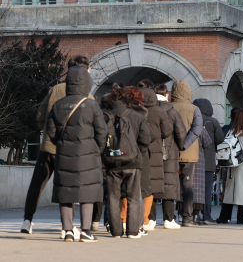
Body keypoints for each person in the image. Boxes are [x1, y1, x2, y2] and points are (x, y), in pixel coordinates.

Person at [21, 55, 95, 237]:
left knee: (37, 184)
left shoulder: (55, 89)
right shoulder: (88, 96)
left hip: (48, 146)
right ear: (87, 71)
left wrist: (48, 132)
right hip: (73, 150)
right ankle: (66, 228)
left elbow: (40, 115)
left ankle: (27, 220)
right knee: (68, 186)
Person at [46, 66, 107, 242]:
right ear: (86, 83)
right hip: (88, 156)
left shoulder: (58, 104)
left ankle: (67, 231)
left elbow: (50, 130)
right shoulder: (91, 105)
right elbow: (101, 131)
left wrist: (62, 143)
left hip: (64, 155)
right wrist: (98, 149)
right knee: (87, 193)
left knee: (66, 192)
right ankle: (86, 231)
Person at [101, 87, 150, 239]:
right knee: (134, 197)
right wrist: (136, 153)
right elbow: (146, 139)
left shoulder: (104, 116)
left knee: (113, 197)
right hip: (132, 162)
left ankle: (115, 231)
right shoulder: (137, 116)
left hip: (111, 163)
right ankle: (132, 231)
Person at [137, 87, 170, 231]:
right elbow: (167, 131)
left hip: (140, 149)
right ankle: (148, 218)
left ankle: (145, 218)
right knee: (152, 186)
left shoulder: (137, 110)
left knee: (139, 184)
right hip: (155, 150)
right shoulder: (160, 111)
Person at [171, 80, 203, 227]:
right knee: (187, 186)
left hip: (171, 153)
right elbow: (197, 130)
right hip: (189, 154)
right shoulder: (194, 109)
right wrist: (185, 144)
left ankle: (170, 216)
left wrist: (176, 144)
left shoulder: (168, 107)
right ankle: (187, 217)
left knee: (171, 184)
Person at [216, 109, 243, 224]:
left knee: (229, 192)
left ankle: (224, 217)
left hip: (231, 165)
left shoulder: (231, 131)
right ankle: (241, 218)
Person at [154, 84, 186, 229]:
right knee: (169, 185)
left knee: (152, 184)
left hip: (152, 152)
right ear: (167, 95)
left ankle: (150, 219)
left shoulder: (148, 110)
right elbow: (181, 134)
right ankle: (168, 219)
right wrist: (179, 147)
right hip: (170, 152)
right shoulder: (173, 113)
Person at [193, 98, 224, 225]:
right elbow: (220, 139)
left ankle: (194, 215)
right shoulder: (213, 121)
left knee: (194, 189)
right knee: (207, 190)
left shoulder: (193, 119)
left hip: (194, 159)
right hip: (209, 160)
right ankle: (206, 216)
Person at [191, 124, 213, 224]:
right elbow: (208, 143)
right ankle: (197, 216)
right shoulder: (199, 127)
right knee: (200, 189)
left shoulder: (183, 124)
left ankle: (185, 215)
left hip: (183, 159)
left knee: (186, 187)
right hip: (198, 159)